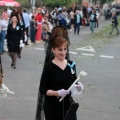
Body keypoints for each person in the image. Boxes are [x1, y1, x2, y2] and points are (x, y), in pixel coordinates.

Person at [36, 26, 84, 120]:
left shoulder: (71, 64)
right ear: (53, 50)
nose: (63, 52)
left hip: (68, 107)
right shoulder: (49, 67)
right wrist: (57, 93)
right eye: (60, 49)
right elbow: (43, 89)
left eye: (65, 49)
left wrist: (78, 87)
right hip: (52, 109)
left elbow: (74, 83)